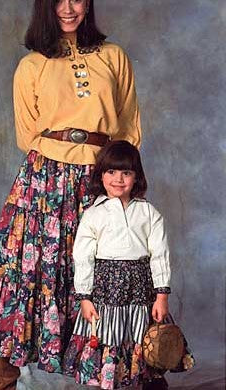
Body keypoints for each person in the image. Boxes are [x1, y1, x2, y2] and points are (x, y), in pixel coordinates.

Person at [0, 0, 141, 389]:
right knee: (29, 268)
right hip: (45, 178)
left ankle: (128, 369)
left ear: (88, 2)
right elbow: (26, 133)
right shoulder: (31, 65)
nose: (68, 10)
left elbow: (127, 128)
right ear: (46, 6)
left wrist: (114, 177)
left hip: (100, 174)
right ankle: (5, 372)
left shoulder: (114, 56)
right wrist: (59, 161)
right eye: (59, 0)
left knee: (106, 268)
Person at [63, 140, 194, 390]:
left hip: (141, 289)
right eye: (111, 172)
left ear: (137, 177)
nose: (118, 179)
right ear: (101, 176)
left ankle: (149, 380)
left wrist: (161, 295)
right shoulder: (94, 214)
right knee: (108, 336)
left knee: (143, 335)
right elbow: (83, 257)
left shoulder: (148, 213)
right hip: (105, 291)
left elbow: (160, 255)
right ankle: (110, 381)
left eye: (126, 172)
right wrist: (84, 297)